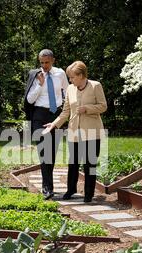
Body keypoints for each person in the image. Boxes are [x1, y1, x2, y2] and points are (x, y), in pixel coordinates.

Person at [43, 61, 107, 202]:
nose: (70, 80)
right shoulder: (70, 89)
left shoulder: (95, 86)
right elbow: (65, 112)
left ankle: (88, 194)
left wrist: (87, 109)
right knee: (73, 163)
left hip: (91, 131)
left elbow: (103, 106)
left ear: (81, 75)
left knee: (89, 164)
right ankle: (71, 190)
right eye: (69, 77)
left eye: (72, 77)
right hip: (74, 132)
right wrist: (53, 124)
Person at [23, 49, 69, 200]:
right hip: (39, 116)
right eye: (41, 63)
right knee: (44, 152)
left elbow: (67, 92)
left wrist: (65, 108)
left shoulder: (60, 73)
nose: (44, 66)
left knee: (52, 152)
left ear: (53, 60)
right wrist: (40, 85)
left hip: (55, 115)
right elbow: (29, 100)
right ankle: (47, 188)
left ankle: (48, 185)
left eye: (47, 62)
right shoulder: (35, 75)